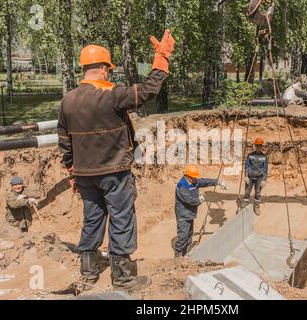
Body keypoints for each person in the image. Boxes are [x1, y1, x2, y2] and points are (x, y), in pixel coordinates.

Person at [57, 30, 175, 292]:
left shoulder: (68, 101)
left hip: (86, 175)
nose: (109, 74)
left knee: (92, 219)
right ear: (101, 69)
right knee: (121, 219)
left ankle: (88, 273)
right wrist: (162, 58)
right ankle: (122, 278)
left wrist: (73, 172)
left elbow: (64, 142)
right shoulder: (112, 96)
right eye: (108, 70)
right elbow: (148, 90)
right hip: (115, 173)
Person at [174, 165, 227, 257]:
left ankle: (186, 253)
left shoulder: (193, 181)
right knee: (183, 236)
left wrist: (217, 182)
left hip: (190, 213)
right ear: (187, 176)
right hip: (183, 214)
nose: (195, 179)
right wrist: (199, 200)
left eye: (195, 177)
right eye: (193, 177)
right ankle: (178, 255)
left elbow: (204, 181)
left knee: (189, 234)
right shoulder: (182, 185)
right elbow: (189, 200)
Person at [243, 137, 268, 215]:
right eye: (257, 145)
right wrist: (246, 176)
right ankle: (244, 205)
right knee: (247, 192)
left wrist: (264, 180)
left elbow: (265, 169)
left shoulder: (264, 157)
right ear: (255, 146)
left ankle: (256, 207)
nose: (258, 147)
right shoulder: (250, 155)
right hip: (250, 177)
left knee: (257, 193)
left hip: (259, 178)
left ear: (262, 146)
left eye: (260, 145)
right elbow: (246, 166)